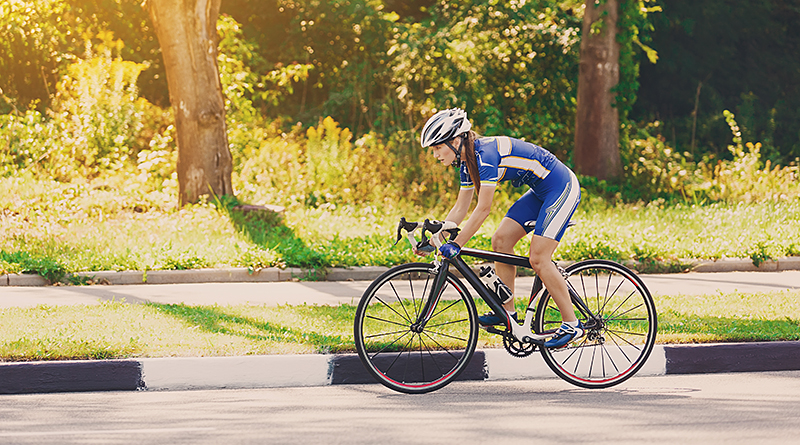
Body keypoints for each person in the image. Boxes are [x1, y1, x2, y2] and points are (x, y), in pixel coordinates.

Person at [418, 108, 582, 349]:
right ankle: (508, 313)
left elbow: (483, 208)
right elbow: (461, 208)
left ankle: (571, 324)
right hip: (539, 192)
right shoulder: (466, 162)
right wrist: (437, 240)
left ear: (454, 141)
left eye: (437, 148)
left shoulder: (485, 156)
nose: (435, 155)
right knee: (501, 241)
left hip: (561, 187)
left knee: (538, 258)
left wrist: (457, 244)